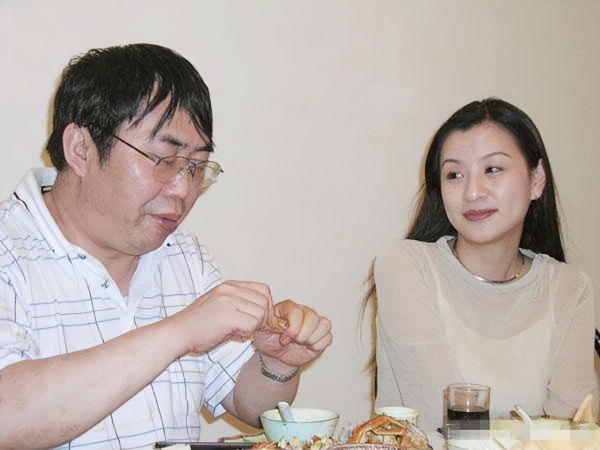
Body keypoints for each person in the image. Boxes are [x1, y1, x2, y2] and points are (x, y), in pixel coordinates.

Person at [0, 43, 333, 449]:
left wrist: (276, 362)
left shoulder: (184, 256)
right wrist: (179, 332)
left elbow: (250, 405)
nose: (183, 190)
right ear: (81, 149)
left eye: (196, 167)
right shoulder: (8, 251)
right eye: (164, 160)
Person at [368, 98, 598, 432]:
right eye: (454, 174)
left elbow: (570, 431)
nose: (473, 192)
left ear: (536, 180)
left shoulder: (570, 287)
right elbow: (445, 420)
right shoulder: (406, 264)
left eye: (492, 169)